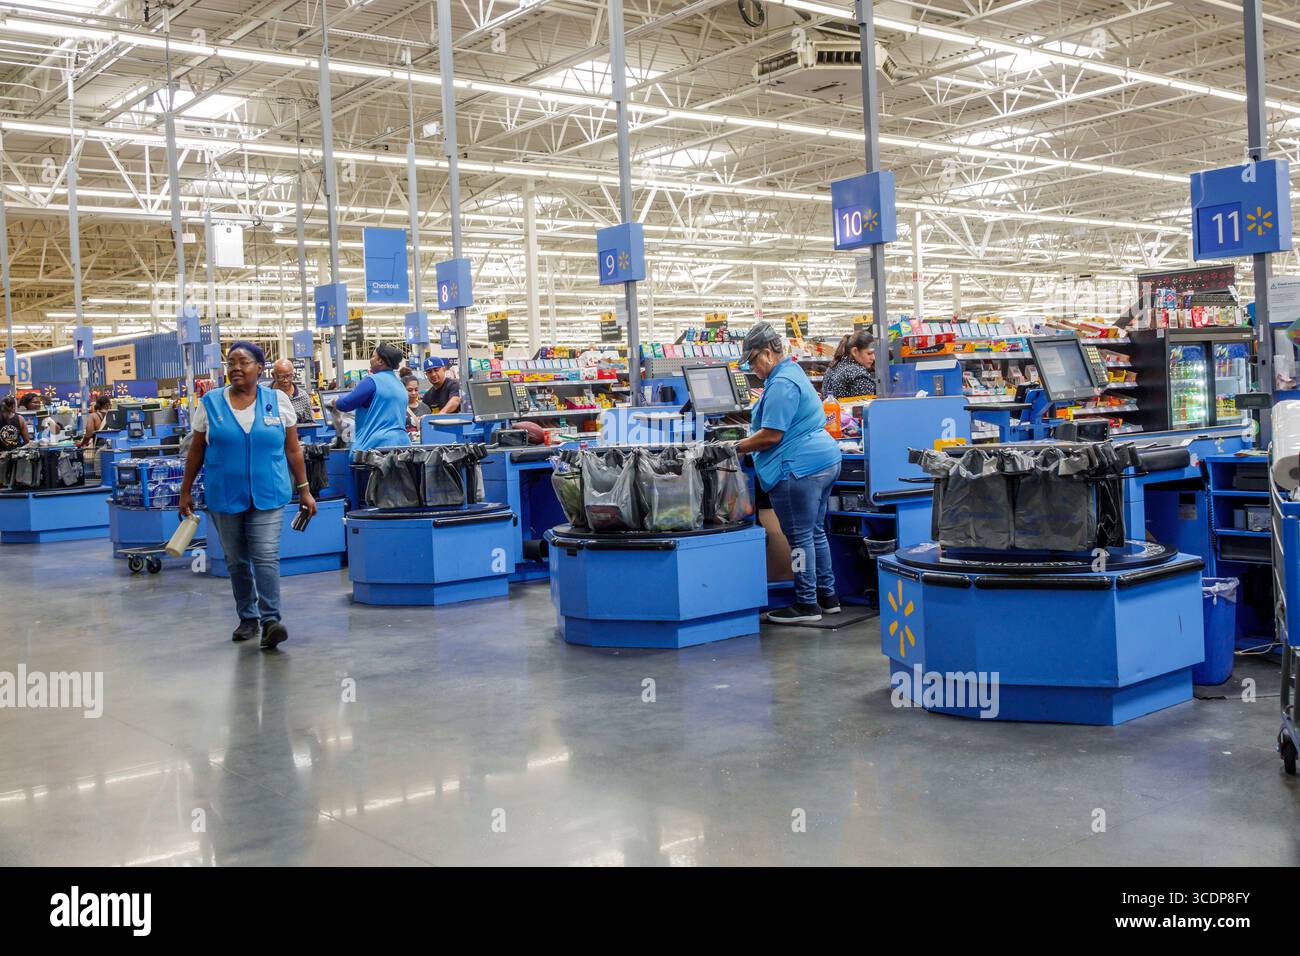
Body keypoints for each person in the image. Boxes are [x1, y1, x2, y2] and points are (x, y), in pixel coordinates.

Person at [178, 341, 316, 651]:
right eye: (231, 363)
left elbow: (293, 449)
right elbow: (196, 451)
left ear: (259, 368)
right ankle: (247, 617)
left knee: (265, 556)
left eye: (243, 362)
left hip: (269, 493)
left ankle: (270, 621)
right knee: (236, 560)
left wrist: (305, 490)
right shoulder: (210, 403)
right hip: (224, 495)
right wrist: (185, 491)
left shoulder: (278, 401)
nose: (236, 368)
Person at [735, 322, 842, 624]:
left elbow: (771, 435)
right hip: (824, 462)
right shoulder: (791, 373)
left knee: (799, 538)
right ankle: (827, 596)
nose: (752, 368)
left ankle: (806, 604)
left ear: (767, 353)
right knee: (815, 532)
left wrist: (738, 447)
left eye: (753, 361)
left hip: (799, 469)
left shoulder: (781, 384)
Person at [329, 343, 411, 450]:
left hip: (376, 446)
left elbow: (345, 404)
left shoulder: (371, 381)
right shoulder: (400, 385)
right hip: (403, 444)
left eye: (373, 356)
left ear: (380, 361)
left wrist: (335, 402)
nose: (370, 360)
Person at [822, 330, 878, 399]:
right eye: (869, 353)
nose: (873, 358)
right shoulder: (858, 374)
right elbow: (867, 408)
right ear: (854, 351)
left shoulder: (832, 368)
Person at [271, 359, 315, 424]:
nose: (285, 380)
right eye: (281, 377)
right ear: (273, 375)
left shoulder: (302, 397)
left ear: (293, 374)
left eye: (289, 376)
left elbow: (310, 424)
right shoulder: (263, 393)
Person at [404, 375, 431, 440]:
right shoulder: (398, 408)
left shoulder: (425, 408)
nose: (413, 393)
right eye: (410, 390)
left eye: (416, 390)